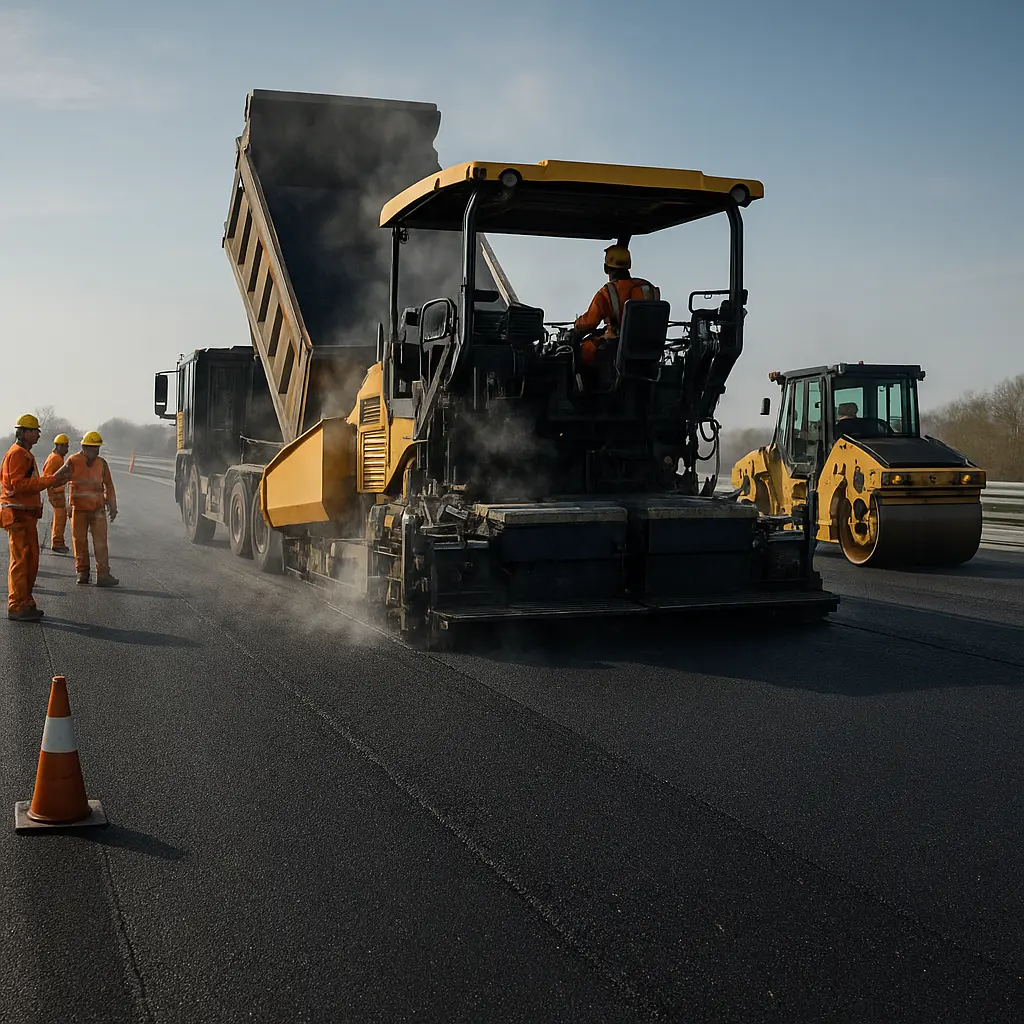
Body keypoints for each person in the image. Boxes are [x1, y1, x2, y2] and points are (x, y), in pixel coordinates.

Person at [2, 415, 73, 621]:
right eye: (34, 431)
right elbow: (18, 485)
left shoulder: (24, 454)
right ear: (23, 432)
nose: (38, 435)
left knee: (30, 561)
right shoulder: (17, 454)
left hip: (25, 516)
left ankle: (25, 601)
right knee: (21, 562)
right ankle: (17, 605)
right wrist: (51, 480)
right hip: (17, 515)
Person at [569, 245, 660, 369]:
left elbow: (589, 322)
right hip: (649, 346)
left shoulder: (607, 292)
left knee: (582, 351)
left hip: (617, 347)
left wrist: (576, 327)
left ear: (606, 268)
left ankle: (588, 381)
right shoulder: (647, 287)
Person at [64, 431, 119, 587]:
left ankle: (103, 574)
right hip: (78, 509)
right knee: (79, 542)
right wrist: (67, 506)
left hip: (97, 509)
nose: (96, 451)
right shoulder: (72, 461)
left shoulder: (102, 464)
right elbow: (61, 480)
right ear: (84, 447)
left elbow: (109, 485)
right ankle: (82, 573)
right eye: (93, 448)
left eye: (97, 448)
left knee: (101, 542)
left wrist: (112, 506)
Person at [41, 433, 71, 553]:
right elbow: (48, 477)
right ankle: (57, 543)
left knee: (59, 517)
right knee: (60, 517)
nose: (67, 449)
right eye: (65, 446)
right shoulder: (55, 458)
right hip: (56, 492)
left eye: (67, 446)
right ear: (58, 446)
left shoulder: (56, 457)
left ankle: (58, 540)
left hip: (56, 491)